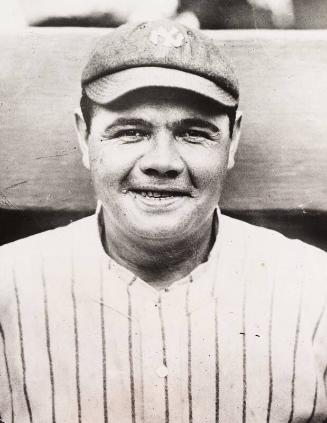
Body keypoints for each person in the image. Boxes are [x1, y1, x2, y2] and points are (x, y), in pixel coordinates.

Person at [0, 19, 326, 423]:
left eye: (194, 133)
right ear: (84, 138)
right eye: (130, 132)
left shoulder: (314, 292)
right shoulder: (8, 287)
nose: (162, 162)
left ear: (232, 141)